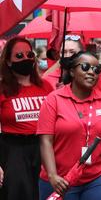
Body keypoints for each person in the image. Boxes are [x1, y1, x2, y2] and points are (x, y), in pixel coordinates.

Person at [37, 51, 101, 200]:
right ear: (72, 71)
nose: (92, 72)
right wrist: (52, 175)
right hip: (61, 180)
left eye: (97, 70)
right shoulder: (54, 100)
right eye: (85, 67)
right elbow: (46, 141)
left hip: (98, 178)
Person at [0, 37, 53, 200]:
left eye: (30, 54)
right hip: (13, 151)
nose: (26, 59)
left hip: (44, 147)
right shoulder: (2, 89)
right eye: (19, 56)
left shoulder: (46, 87)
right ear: (8, 61)